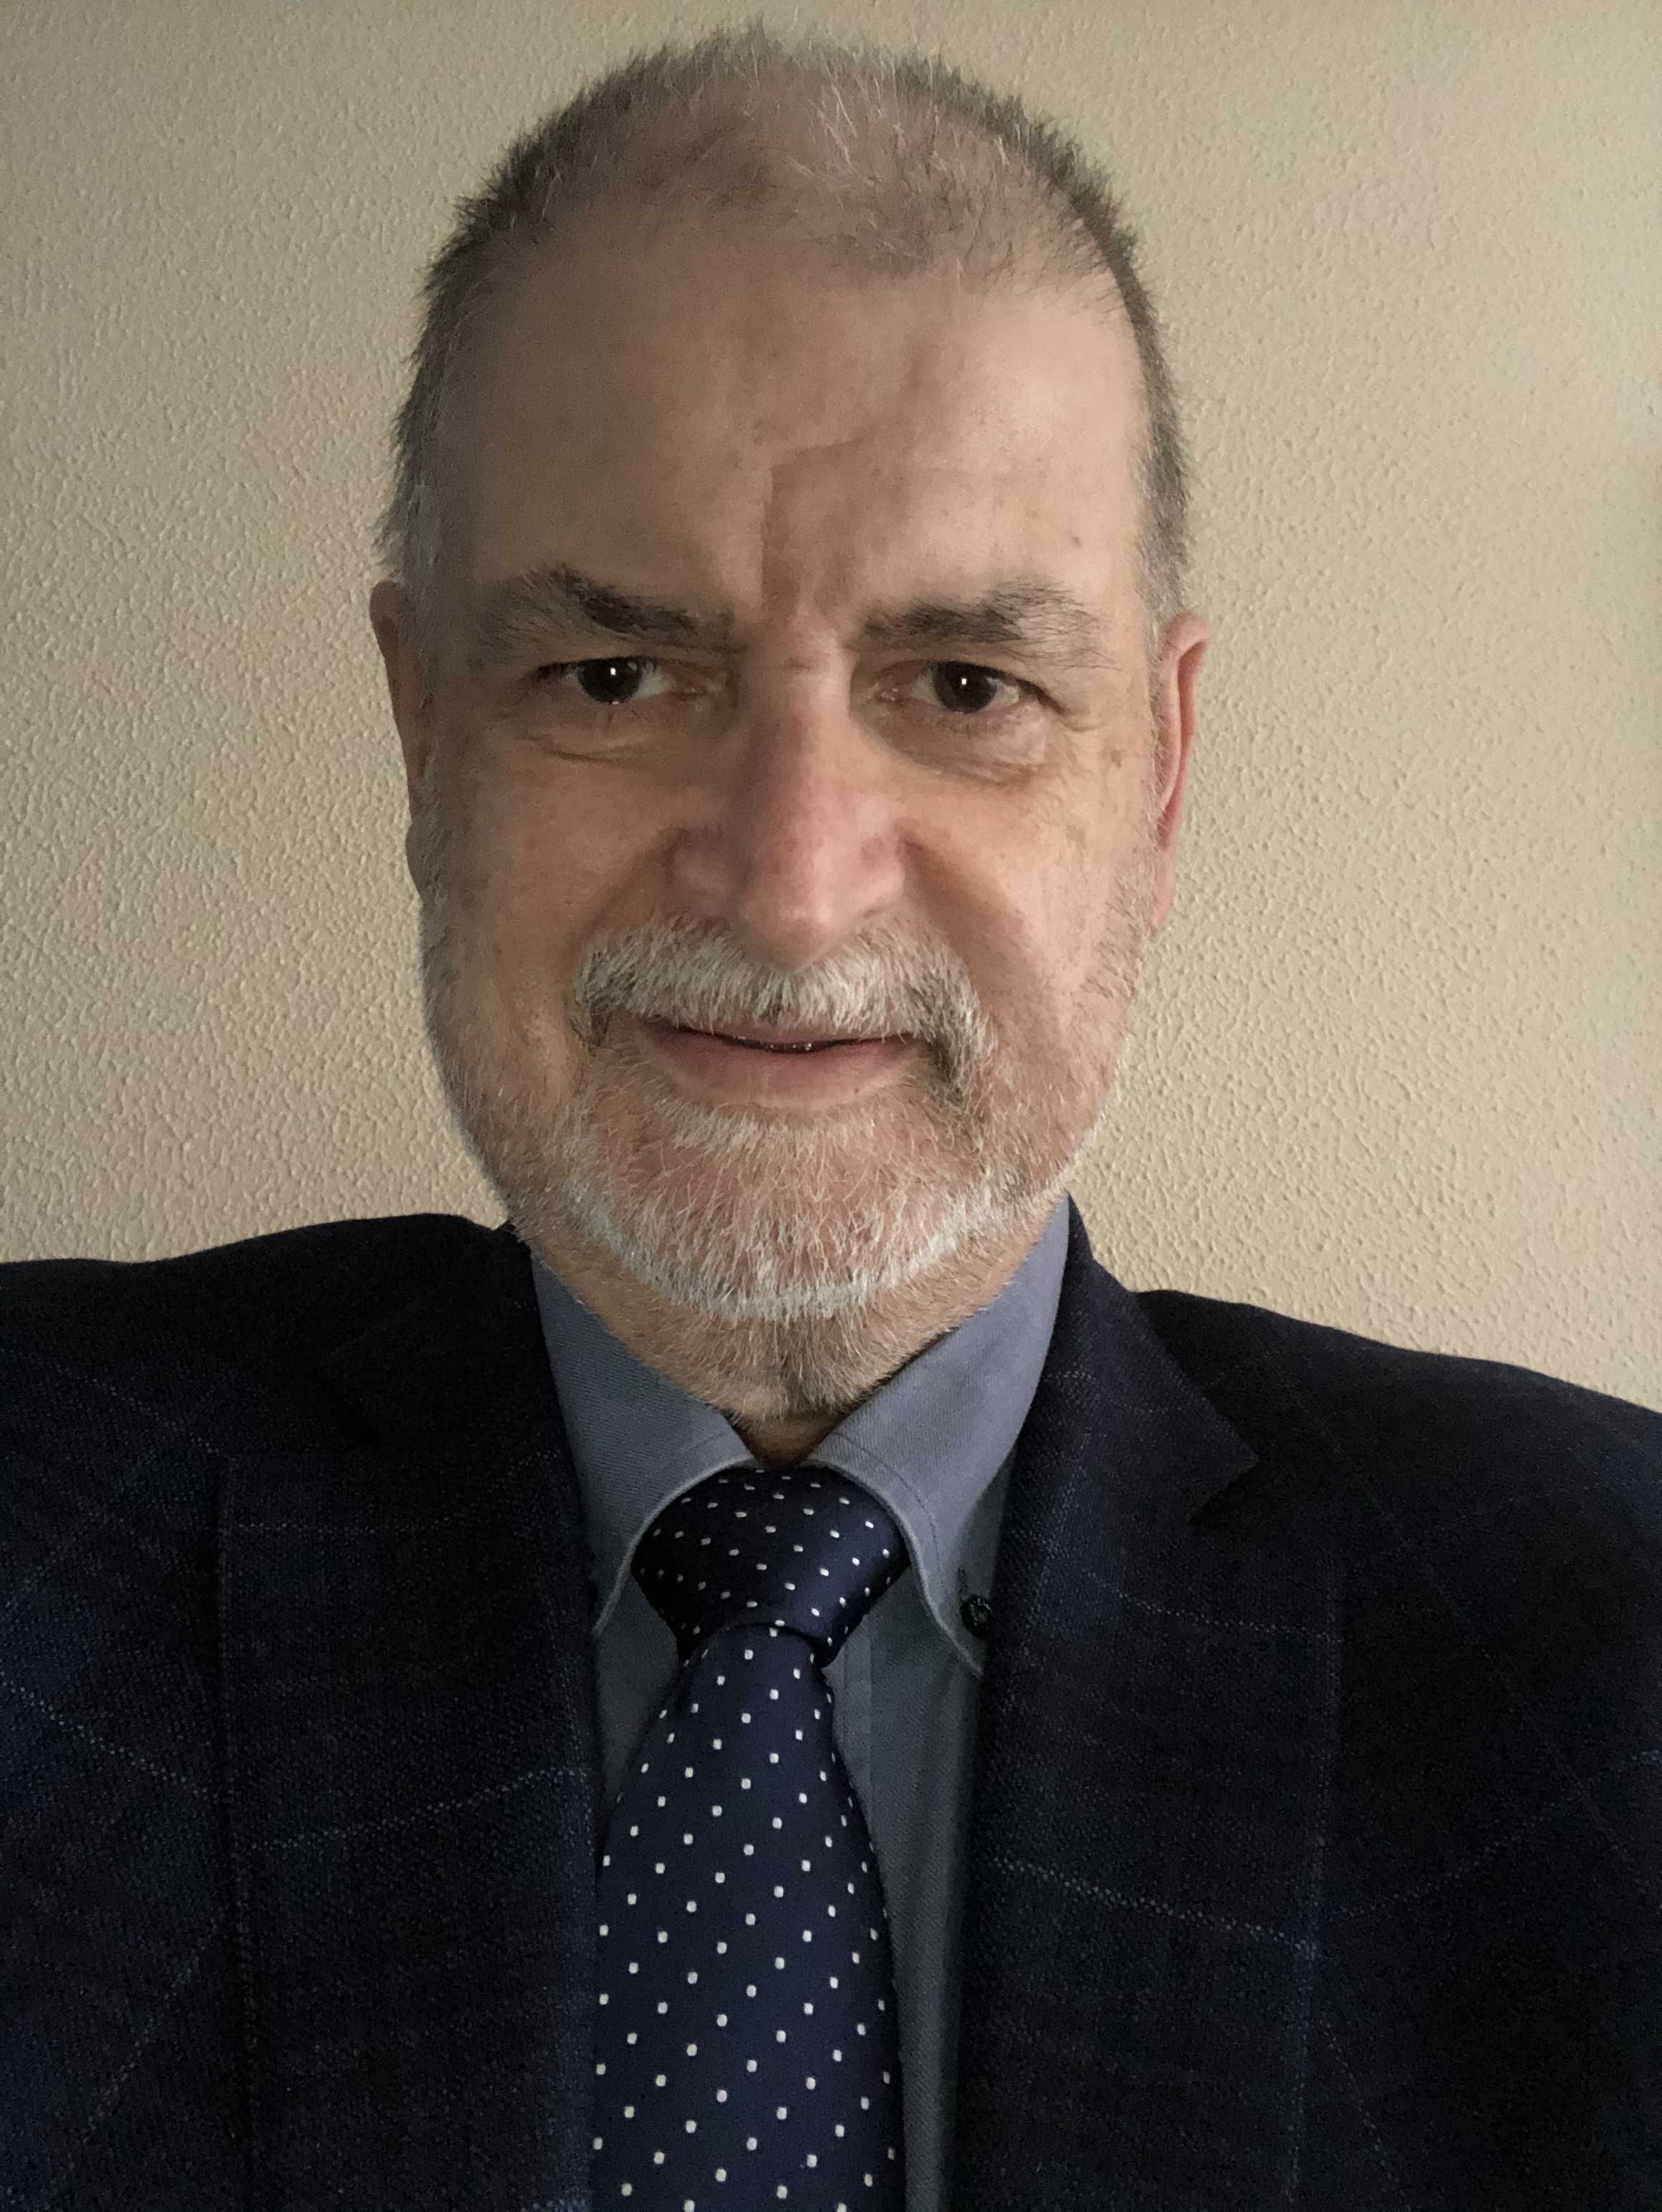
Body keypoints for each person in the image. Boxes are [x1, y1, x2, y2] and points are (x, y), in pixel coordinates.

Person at [3, 27, 1657, 2212]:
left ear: (1158, 774)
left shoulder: (1609, 1658)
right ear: (422, 732)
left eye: (966, 688)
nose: (790, 887)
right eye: (615, 677)